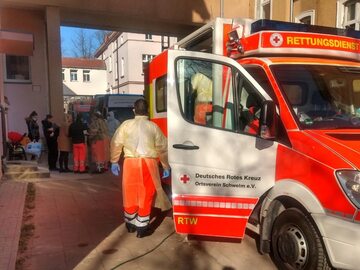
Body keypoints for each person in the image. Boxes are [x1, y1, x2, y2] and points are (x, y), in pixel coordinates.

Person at [110, 98, 171, 238]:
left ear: (134, 110)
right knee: (146, 193)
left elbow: (116, 143)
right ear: (148, 111)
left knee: (130, 192)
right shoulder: (153, 127)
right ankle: (142, 227)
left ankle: (130, 224)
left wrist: (114, 161)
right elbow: (163, 148)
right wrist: (165, 165)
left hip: (130, 163)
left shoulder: (125, 125)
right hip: (148, 164)